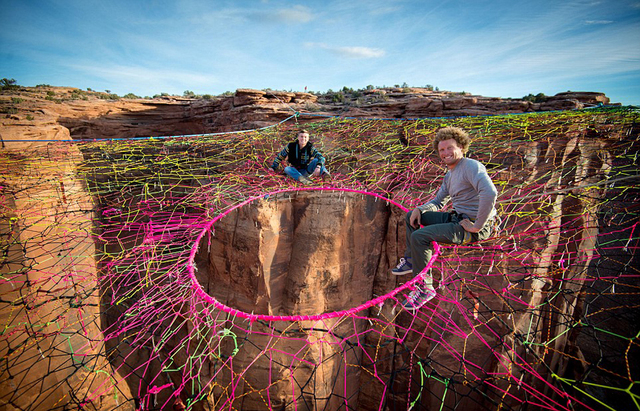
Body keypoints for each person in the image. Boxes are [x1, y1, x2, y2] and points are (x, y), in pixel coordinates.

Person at [392, 126, 498, 311]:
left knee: (420, 236)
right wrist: (419, 209)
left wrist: (477, 226)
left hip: (470, 227)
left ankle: (425, 288)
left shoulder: (470, 166)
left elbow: (490, 193)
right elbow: (439, 201)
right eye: (442, 150)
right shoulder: (450, 175)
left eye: (450, 148)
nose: (445, 153)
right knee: (411, 216)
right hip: (457, 219)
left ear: (461, 147)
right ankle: (411, 260)